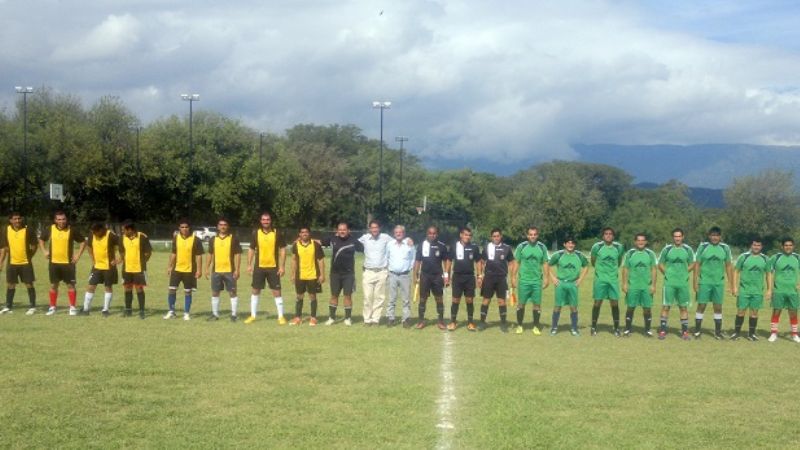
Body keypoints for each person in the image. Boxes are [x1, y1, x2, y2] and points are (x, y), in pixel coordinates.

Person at [38, 210, 86, 316]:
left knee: (71, 285)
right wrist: (44, 251)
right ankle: (52, 307)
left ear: (66, 219)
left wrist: (77, 255)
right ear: (55, 220)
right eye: (59, 219)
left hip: (68, 264)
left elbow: (83, 241)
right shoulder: (50, 229)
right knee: (54, 285)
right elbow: (41, 239)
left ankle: (72, 308)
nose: (62, 221)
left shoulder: (71, 230)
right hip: (54, 263)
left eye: (63, 219)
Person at [246, 212, 288, 324]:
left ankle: (281, 317)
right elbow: (251, 249)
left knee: (277, 292)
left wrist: (282, 266)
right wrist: (249, 265)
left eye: (268, 219)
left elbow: (283, 249)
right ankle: (253, 316)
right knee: (255, 290)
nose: (266, 221)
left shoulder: (277, 233)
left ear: (271, 221)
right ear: (261, 221)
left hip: (273, 268)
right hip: (259, 267)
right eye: (264, 219)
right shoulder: (256, 233)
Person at [692, 226, 733, 339]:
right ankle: (697, 331)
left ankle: (718, 332)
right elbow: (697, 264)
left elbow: (729, 266)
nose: (714, 237)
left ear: (720, 237)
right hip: (704, 282)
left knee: (718, 307)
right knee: (701, 305)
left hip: (718, 283)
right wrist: (694, 281)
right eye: (712, 235)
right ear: (709, 236)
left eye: (717, 235)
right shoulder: (703, 247)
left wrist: (731, 284)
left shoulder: (725, 248)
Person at [657, 228, 695, 340]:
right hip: (669, 283)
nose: (677, 238)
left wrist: (684, 273)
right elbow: (660, 264)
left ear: (683, 237)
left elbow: (693, 263)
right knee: (666, 306)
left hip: (683, 283)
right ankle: (663, 331)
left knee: (683, 307)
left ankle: (684, 333)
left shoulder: (688, 250)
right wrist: (667, 273)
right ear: (673, 237)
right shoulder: (667, 249)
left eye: (679, 236)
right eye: (675, 236)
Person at [323, 222, 363, 326]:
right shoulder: (333, 239)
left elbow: (364, 248)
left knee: (347, 296)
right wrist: (333, 235)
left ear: (348, 230)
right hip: (335, 274)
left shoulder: (353, 241)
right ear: (337, 231)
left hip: (348, 274)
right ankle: (331, 318)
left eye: (344, 230)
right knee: (334, 295)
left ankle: (348, 318)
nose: (342, 231)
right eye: (340, 230)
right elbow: (322, 241)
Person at [548, 237, 589, 336]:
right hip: (561, 284)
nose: (570, 245)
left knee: (573, 307)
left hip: (573, 284)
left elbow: (587, 266)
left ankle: (574, 328)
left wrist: (580, 279)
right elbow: (547, 265)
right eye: (568, 243)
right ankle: (554, 328)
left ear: (574, 245)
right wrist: (553, 278)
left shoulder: (579, 255)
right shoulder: (559, 255)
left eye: (572, 243)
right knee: (557, 306)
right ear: (564, 244)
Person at [511, 226, 549, 335]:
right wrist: (513, 277)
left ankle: (536, 326)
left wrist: (547, 278)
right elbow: (516, 262)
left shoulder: (542, 247)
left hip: (537, 281)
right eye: (530, 234)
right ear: (527, 235)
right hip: (524, 281)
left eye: (534, 234)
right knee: (521, 304)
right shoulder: (521, 246)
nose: (532, 236)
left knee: (537, 305)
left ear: (537, 235)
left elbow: (545, 263)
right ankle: (519, 325)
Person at [731, 237, 770, 341]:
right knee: (740, 311)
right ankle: (736, 333)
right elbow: (736, 271)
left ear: (761, 247)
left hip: (757, 291)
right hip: (744, 290)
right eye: (754, 245)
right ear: (751, 246)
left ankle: (751, 334)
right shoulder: (743, 257)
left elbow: (768, 274)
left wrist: (769, 289)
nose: (756, 247)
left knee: (754, 313)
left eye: (758, 245)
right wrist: (734, 287)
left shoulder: (765, 259)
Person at [0, 212, 38, 315]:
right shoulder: (6, 230)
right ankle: (8, 306)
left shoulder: (28, 229)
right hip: (12, 263)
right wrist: (1, 262)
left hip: (25, 263)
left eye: (19, 219)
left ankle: (32, 306)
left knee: (29, 284)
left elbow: (34, 245)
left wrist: (30, 256)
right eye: (15, 219)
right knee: (10, 284)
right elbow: (4, 247)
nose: (17, 221)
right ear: (10, 220)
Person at [165, 219, 203, 320]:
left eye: (186, 227)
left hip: (189, 270)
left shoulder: (196, 239)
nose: (184, 229)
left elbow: (199, 256)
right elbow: (173, 253)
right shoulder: (176, 238)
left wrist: (199, 270)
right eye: (182, 227)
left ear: (189, 228)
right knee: (172, 290)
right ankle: (171, 311)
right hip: (177, 269)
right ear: (179, 228)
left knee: (187, 291)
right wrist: (169, 266)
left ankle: (186, 313)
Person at [478, 228, 515, 332]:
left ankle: (503, 324)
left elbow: (512, 262)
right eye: (494, 236)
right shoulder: (486, 247)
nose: (496, 238)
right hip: (489, 278)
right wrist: (480, 276)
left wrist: (512, 276)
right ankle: (482, 322)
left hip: (501, 278)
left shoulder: (507, 248)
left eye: (498, 236)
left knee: (502, 301)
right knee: (486, 300)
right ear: (491, 237)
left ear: (501, 236)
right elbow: (481, 261)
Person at [589, 227, 625, 336]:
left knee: (614, 303)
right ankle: (594, 327)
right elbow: (593, 261)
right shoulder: (597, 247)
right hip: (600, 280)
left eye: (610, 234)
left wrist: (612, 272)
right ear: (603, 236)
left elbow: (619, 261)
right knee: (597, 302)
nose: (608, 235)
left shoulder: (619, 247)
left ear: (613, 236)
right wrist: (601, 272)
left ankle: (616, 328)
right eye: (606, 234)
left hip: (613, 280)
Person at [81, 222, 121, 316]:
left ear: (102, 230)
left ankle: (105, 310)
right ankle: (86, 309)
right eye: (93, 232)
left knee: (108, 287)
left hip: (109, 267)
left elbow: (123, 244)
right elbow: (89, 246)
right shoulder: (92, 234)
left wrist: (119, 259)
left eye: (96, 232)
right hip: (96, 267)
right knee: (91, 285)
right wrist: (92, 259)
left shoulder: (110, 235)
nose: (95, 234)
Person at [205, 217, 242, 322]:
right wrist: (207, 268)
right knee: (215, 292)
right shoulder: (213, 239)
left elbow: (238, 254)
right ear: (217, 226)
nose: (223, 226)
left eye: (225, 225)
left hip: (229, 271)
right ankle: (215, 314)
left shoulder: (233, 238)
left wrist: (237, 269)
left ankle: (234, 315)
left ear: (228, 226)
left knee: (232, 292)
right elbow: (210, 254)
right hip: (216, 270)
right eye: (221, 225)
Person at [621, 233, 658, 337]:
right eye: (639, 240)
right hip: (633, 286)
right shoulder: (630, 253)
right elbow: (625, 269)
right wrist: (624, 284)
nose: (641, 242)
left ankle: (647, 330)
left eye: (643, 240)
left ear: (646, 242)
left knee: (647, 308)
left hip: (646, 286)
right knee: (630, 307)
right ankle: (628, 329)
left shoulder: (650, 254)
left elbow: (654, 270)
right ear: (635, 242)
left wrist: (653, 285)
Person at [413, 226, 449, 330]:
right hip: (425, 276)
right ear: (427, 233)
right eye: (430, 233)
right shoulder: (421, 245)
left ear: (437, 234)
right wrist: (415, 275)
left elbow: (446, 261)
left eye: (434, 233)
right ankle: (421, 321)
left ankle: (441, 321)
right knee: (423, 299)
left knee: (439, 298)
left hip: (437, 276)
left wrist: (446, 275)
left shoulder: (441, 246)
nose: (432, 235)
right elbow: (418, 261)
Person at [358, 220, 393, 326]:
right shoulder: (364, 238)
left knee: (379, 297)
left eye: (376, 227)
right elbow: (351, 242)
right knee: (367, 297)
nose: (374, 230)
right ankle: (367, 319)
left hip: (382, 271)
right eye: (372, 228)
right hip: (368, 272)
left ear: (379, 228)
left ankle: (375, 319)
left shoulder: (385, 237)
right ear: (369, 229)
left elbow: (398, 240)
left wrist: (408, 240)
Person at [447, 226, 481, 331]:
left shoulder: (474, 247)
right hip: (457, 276)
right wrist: (446, 275)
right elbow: (449, 260)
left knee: (469, 300)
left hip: (469, 277)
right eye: (466, 234)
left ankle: (470, 323)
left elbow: (478, 261)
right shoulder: (454, 246)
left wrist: (479, 275)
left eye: (469, 235)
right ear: (461, 235)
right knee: (455, 300)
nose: (468, 237)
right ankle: (453, 322)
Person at [289, 226, 325, 326]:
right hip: (300, 276)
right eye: (302, 232)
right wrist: (293, 274)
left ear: (309, 233)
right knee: (299, 296)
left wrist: (322, 275)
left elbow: (321, 260)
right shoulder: (296, 245)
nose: (304, 234)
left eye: (306, 232)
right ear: (299, 234)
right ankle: (298, 318)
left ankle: (313, 318)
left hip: (313, 275)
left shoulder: (316, 245)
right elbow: (294, 260)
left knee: (312, 296)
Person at [767, 238, 800, 343]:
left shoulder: (797, 258)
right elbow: (769, 272)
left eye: (790, 245)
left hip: (793, 291)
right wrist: (769, 289)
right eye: (786, 245)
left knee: (793, 313)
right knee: (776, 311)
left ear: (793, 246)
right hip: (779, 290)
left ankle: (794, 335)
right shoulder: (776, 258)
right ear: (782, 246)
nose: (788, 247)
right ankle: (773, 333)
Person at [121, 221, 152, 319]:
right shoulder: (122, 238)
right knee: (127, 288)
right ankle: (128, 310)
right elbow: (122, 251)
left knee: (139, 288)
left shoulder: (142, 237)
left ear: (130, 229)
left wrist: (143, 262)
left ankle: (142, 311)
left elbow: (148, 252)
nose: (123, 232)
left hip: (139, 269)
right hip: (126, 269)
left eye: (124, 230)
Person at [385, 225, 415, 328]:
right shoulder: (390, 244)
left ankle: (405, 319)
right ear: (394, 234)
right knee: (391, 298)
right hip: (392, 274)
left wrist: (408, 268)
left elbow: (413, 258)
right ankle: (390, 318)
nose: (398, 234)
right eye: (396, 232)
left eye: (400, 232)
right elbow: (386, 257)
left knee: (405, 299)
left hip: (405, 275)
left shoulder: (409, 244)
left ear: (404, 233)